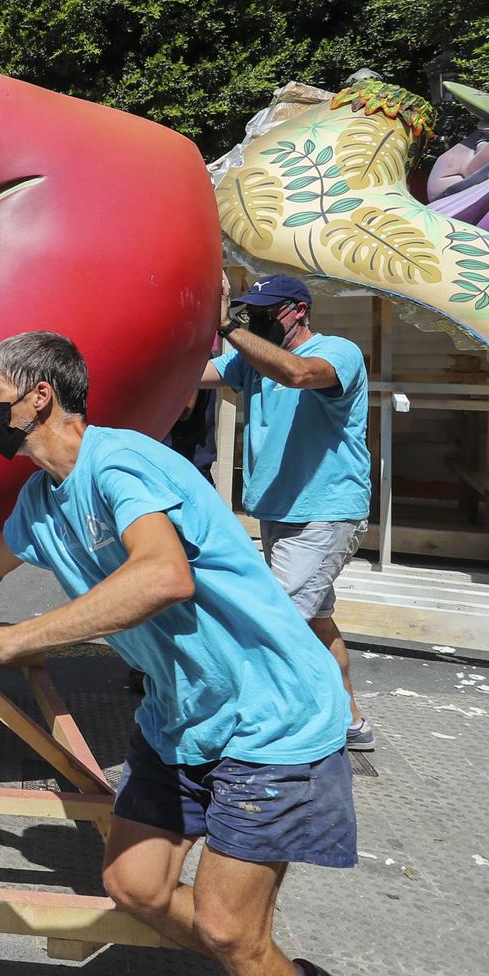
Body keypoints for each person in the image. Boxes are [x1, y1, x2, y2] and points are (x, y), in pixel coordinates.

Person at [0, 332, 355, 976]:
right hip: (182, 718)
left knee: (227, 925)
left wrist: (12, 640)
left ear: (39, 396)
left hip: (269, 716)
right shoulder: (42, 497)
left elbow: (162, 576)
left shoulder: (120, 461)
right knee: (136, 886)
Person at [204, 273, 374, 751]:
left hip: (325, 509)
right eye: (248, 310)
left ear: (299, 310)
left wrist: (231, 329)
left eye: (268, 310)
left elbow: (298, 374)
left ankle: (278, 732)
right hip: (280, 509)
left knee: (277, 623)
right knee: (314, 619)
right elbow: (194, 373)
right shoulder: (249, 358)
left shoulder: (338, 350)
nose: (256, 318)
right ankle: (350, 721)